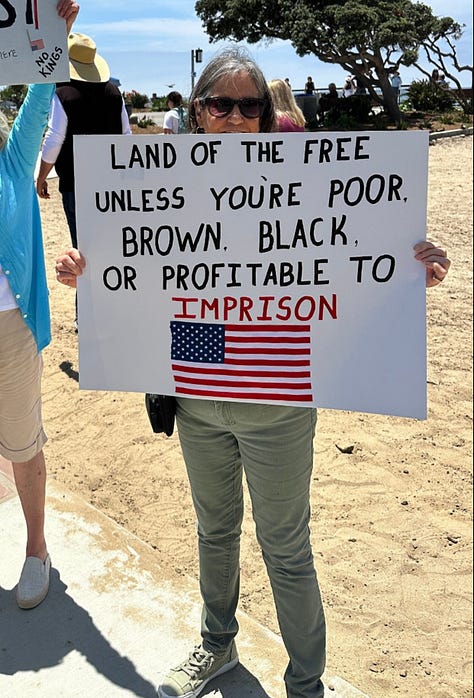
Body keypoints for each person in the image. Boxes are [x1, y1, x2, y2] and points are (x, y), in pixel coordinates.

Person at [55, 46, 451, 698]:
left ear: (267, 114)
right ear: (198, 111)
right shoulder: (158, 185)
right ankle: (217, 645)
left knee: (286, 549)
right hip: (197, 398)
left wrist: (415, 270)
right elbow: (145, 282)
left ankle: (306, 684)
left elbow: (353, 267)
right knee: (214, 533)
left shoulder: (309, 181)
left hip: (280, 402)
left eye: (249, 105)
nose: (235, 116)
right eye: (221, 104)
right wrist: (86, 271)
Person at [0, 0, 80, 610]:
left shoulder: (13, 161)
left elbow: (37, 99)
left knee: (23, 443)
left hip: (9, 326)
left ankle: (36, 548)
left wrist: (54, 37)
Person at [36, 32, 131, 251]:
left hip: (76, 183)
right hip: (111, 181)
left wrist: (42, 177)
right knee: (112, 243)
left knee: (84, 248)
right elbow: (126, 136)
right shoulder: (114, 93)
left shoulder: (63, 94)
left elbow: (54, 138)